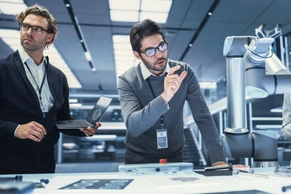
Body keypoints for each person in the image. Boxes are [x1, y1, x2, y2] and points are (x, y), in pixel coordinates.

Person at [0, 4, 101, 174]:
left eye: (37, 29)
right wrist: (16, 129)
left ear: (49, 37)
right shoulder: (2, 68)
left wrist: (82, 128)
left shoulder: (58, 77)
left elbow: (60, 120)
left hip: (46, 163)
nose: (29, 32)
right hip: (7, 162)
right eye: (25, 26)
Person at [117, 19, 228, 167]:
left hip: (175, 156)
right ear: (137, 55)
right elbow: (133, 126)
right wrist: (164, 98)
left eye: (161, 46)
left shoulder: (184, 72)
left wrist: (218, 159)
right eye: (150, 51)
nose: (159, 55)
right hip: (138, 159)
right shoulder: (127, 80)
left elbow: (203, 116)